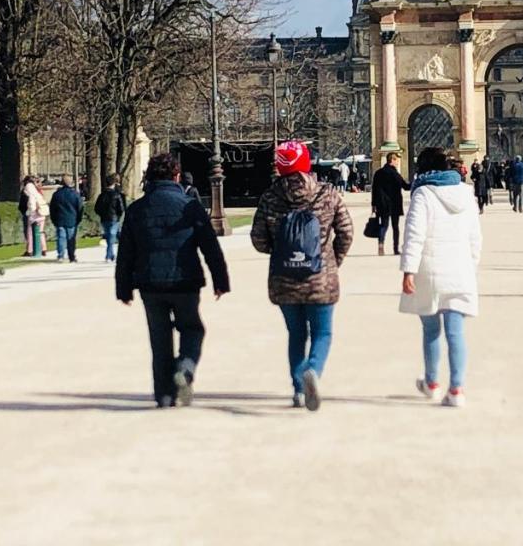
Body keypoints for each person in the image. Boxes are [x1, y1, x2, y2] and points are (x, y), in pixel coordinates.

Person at [115, 153, 230, 408]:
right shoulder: (189, 206)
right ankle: (185, 367)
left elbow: (125, 254)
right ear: (176, 176)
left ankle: (165, 396)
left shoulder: (136, 209)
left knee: (159, 340)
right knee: (192, 328)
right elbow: (210, 247)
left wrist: (123, 288)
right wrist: (220, 280)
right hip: (185, 280)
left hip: (149, 282)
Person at [251, 141, 354, 411]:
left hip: (285, 279)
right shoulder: (328, 194)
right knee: (322, 333)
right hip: (320, 277)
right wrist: (333, 260)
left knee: (296, 334)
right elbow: (346, 232)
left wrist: (279, 250)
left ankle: (298, 390)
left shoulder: (270, 197)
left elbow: (258, 240)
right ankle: (313, 371)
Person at [400, 146, 483, 408]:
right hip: (460, 268)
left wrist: (408, 270)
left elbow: (414, 234)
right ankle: (457, 389)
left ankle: (432, 382)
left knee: (431, 329)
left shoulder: (423, 193)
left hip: (430, 270)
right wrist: (471, 264)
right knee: (456, 332)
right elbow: (475, 236)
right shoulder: (467, 193)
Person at [371, 152, 411, 256]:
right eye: (397, 160)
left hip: (381, 203)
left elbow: (374, 190)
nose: (398, 162)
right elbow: (406, 187)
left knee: (383, 225)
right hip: (394, 203)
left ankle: (381, 243)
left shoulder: (378, 173)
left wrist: (373, 205)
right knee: (395, 227)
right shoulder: (395, 174)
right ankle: (395, 249)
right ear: (392, 160)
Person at [49, 174, 84, 263]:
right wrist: (78, 219)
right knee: (71, 239)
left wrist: (54, 219)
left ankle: (60, 255)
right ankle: (71, 256)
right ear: (71, 183)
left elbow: (52, 208)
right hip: (72, 219)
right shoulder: (75, 194)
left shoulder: (57, 194)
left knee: (61, 238)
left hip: (60, 219)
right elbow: (80, 208)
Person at [94, 173, 127, 262]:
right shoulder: (116, 195)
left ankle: (111, 254)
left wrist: (101, 214)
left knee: (109, 236)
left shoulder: (102, 195)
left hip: (104, 218)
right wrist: (118, 215)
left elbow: (97, 208)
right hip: (114, 218)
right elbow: (121, 207)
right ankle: (109, 255)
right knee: (111, 237)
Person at [21, 175, 49, 257]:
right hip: (42, 213)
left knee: (30, 232)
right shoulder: (37, 191)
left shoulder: (29, 191)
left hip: (34, 214)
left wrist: (29, 212)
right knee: (40, 232)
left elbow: (31, 204)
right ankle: (44, 249)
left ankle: (30, 250)